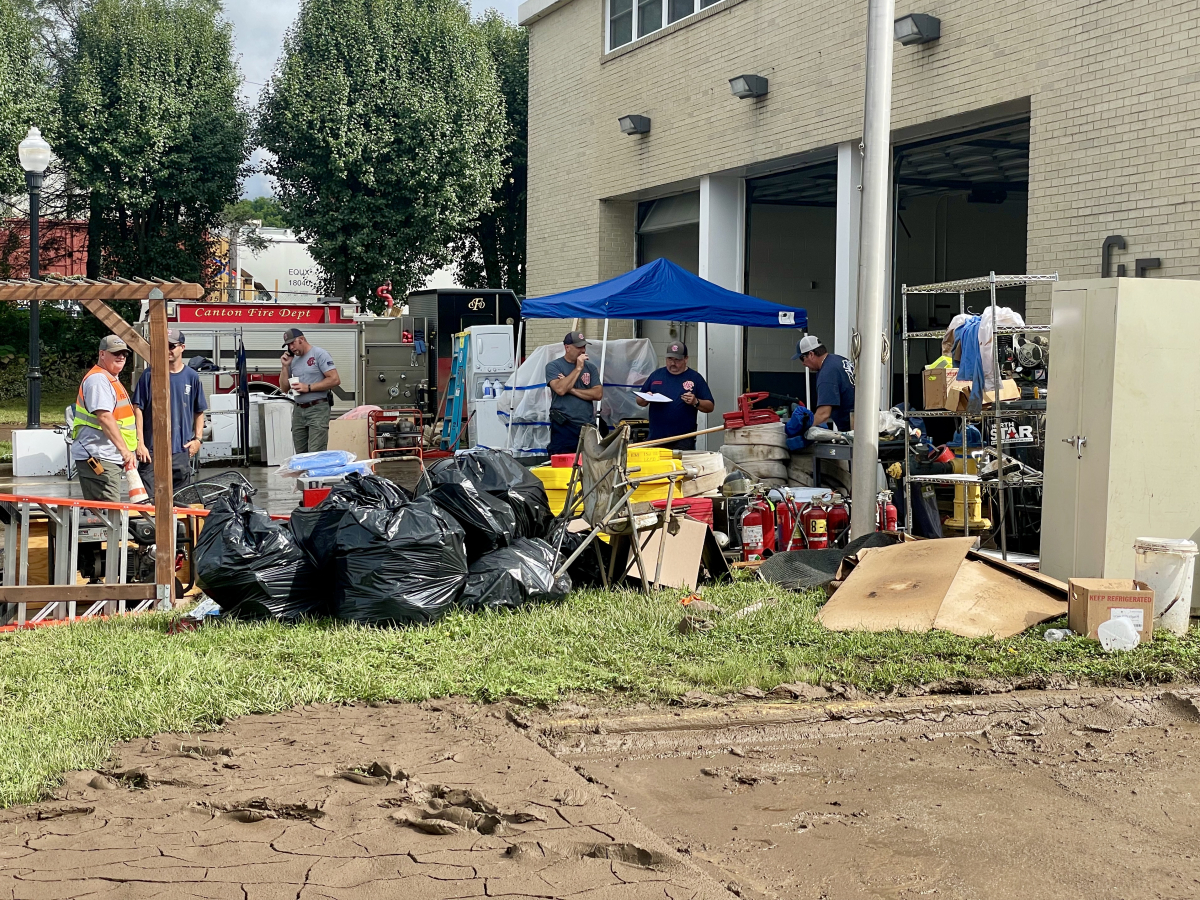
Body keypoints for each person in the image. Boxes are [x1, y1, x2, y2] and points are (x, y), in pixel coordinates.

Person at [131, 328, 208, 497]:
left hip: (180, 450)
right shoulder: (149, 375)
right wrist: (140, 443)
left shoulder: (191, 376)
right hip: (151, 451)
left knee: (181, 504)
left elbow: (199, 411)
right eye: (163, 346)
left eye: (171, 346)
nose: (167, 350)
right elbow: (138, 409)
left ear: (182, 347)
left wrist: (198, 440)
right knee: (151, 505)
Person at [70, 336, 137, 502]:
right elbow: (105, 418)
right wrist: (125, 451)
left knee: (109, 514)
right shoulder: (98, 380)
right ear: (102, 354)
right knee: (108, 516)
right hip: (98, 456)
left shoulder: (109, 378)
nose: (121, 357)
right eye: (115, 353)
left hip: (106, 456)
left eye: (124, 353)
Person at [635, 341, 715, 450]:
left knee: (680, 466)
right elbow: (639, 401)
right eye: (670, 359)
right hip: (656, 438)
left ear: (686, 359)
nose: (673, 363)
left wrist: (696, 402)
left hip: (683, 439)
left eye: (677, 360)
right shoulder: (656, 375)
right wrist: (646, 397)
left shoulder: (695, 378)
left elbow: (710, 406)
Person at [280, 327, 341, 453]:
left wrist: (308, 387)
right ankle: (304, 473)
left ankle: (317, 472)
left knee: (315, 452)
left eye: (293, 343)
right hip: (299, 410)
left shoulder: (319, 354)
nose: (291, 347)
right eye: (288, 345)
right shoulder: (293, 360)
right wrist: (285, 367)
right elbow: (284, 388)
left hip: (317, 408)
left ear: (301, 339)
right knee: (300, 453)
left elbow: (335, 379)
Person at [545, 331, 603, 455]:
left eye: (584, 346)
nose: (582, 350)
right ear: (567, 347)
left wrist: (571, 389)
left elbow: (598, 394)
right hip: (564, 426)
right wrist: (578, 368)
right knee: (563, 463)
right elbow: (560, 390)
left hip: (587, 425)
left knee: (590, 462)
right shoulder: (554, 366)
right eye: (578, 347)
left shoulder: (591, 368)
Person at [794, 335, 856, 431]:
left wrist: (804, 432)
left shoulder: (827, 373)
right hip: (874, 422)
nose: (803, 363)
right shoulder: (839, 360)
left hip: (858, 430)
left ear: (811, 354)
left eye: (802, 358)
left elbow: (823, 414)